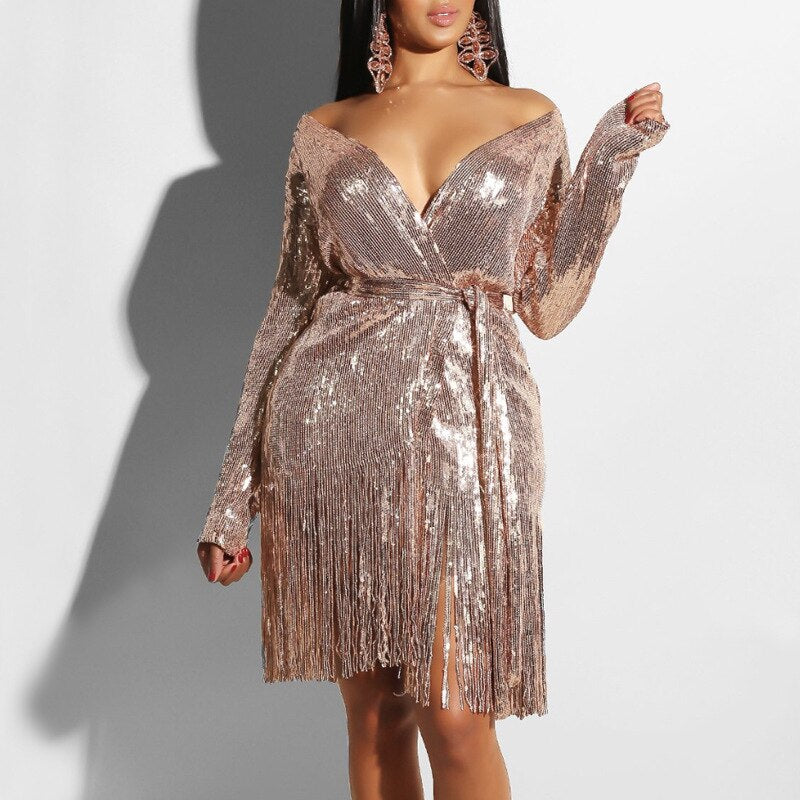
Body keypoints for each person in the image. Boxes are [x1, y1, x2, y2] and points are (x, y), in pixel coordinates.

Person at [196, 1, 669, 797]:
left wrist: (609, 157)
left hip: (475, 429)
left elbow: (548, 304)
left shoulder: (528, 118)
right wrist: (229, 502)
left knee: (456, 716)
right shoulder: (325, 131)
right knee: (377, 714)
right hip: (333, 433)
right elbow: (291, 305)